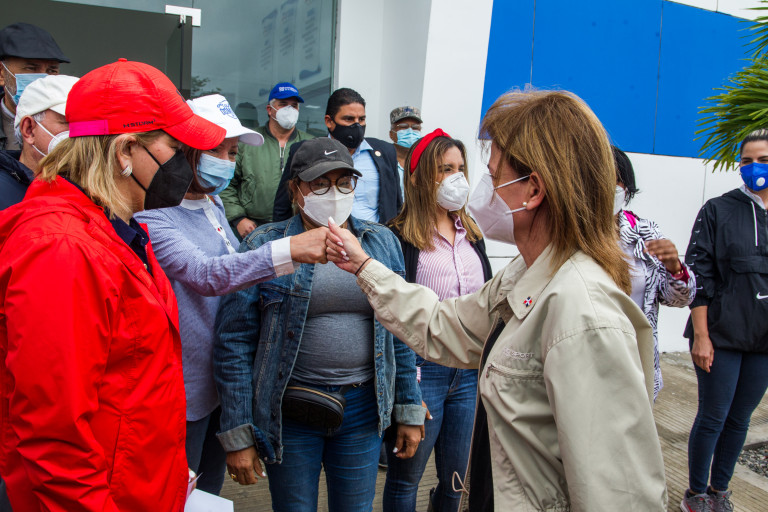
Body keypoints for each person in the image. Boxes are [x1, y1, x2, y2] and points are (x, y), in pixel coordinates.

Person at [326, 89, 668, 510]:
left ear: (533, 190)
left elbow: (618, 494)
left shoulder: (584, 313)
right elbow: (445, 325)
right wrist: (365, 265)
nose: (477, 190)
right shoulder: (526, 273)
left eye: (492, 176)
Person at [0, 58, 226, 511]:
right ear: (125, 151)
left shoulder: (120, 230)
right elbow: (54, 440)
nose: (186, 165)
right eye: (175, 148)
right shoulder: (62, 250)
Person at [214, 137, 425, 512]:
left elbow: (401, 330)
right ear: (295, 189)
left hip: (363, 408)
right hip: (290, 411)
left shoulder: (380, 242)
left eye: (344, 182)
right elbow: (234, 342)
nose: (334, 193)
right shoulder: (266, 245)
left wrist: (408, 406)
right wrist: (238, 432)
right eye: (320, 183)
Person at [134, 93, 329, 496]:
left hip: (221, 384)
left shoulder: (212, 203)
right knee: (177, 492)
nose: (225, 160)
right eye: (215, 150)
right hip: (182, 391)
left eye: (233, 152)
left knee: (207, 491)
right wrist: (289, 250)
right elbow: (207, 274)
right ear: (182, 151)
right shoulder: (153, 214)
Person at [382, 129, 492, 512]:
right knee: (405, 478)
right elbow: (392, 315)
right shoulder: (398, 238)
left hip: (469, 372)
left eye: (460, 168)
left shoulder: (472, 234)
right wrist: (406, 388)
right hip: (421, 371)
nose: (456, 178)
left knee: (457, 480)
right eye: (445, 169)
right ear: (417, 178)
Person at [680, 129, 768, 512]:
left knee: (740, 419)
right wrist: (701, 335)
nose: (754, 167)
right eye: (746, 161)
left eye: (763, 160)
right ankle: (696, 494)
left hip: (763, 340)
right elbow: (698, 276)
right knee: (714, 416)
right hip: (719, 334)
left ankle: (720, 491)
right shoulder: (718, 210)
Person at [613, 146, 696, 400]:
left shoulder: (644, 232)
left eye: (615, 179)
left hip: (636, 361)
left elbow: (679, 299)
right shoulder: (568, 232)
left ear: (626, 186)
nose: (606, 186)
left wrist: (674, 267)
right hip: (586, 354)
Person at [273, 87, 402, 224]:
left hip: (373, 235)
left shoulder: (386, 151)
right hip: (323, 235)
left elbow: (396, 204)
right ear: (329, 121)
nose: (357, 125)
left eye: (361, 119)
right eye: (349, 119)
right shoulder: (304, 151)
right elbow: (283, 206)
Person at [220, 82, 313, 239]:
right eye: (283, 104)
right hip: (253, 229)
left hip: (296, 229)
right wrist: (238, 218)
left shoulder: (309, 144)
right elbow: (226, 183)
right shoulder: (250, 141)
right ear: (270, 110)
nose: (289, 110)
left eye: (294, 106)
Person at [0, 73, 77, 209]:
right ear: (29, 129)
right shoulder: (4, 193)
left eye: (89, 123)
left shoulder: (97, 189)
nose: (83, 132)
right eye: (68, 122)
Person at [0, 22, 69, 150]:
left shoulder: (71, 122)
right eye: (31, 68)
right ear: (2, 74)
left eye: (52, 70)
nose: (42, 79)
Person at [388, 105, 423, 195]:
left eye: (415, 127)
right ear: (391, 134)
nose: (410, 131)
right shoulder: (384, 160)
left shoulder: (424, 161)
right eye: (403, 127)